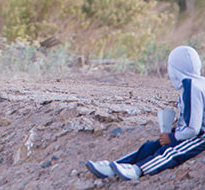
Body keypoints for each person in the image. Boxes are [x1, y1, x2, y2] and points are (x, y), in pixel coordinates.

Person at [85, 45, 205, 180]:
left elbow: (193, 129)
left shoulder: (191, 87)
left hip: (200, 137)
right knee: (151, 146)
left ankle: (138, 169)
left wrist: (172, 138)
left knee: (170, 152)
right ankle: (116, 165)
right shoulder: (198, 83)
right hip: (190, 131)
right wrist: (177, 127)